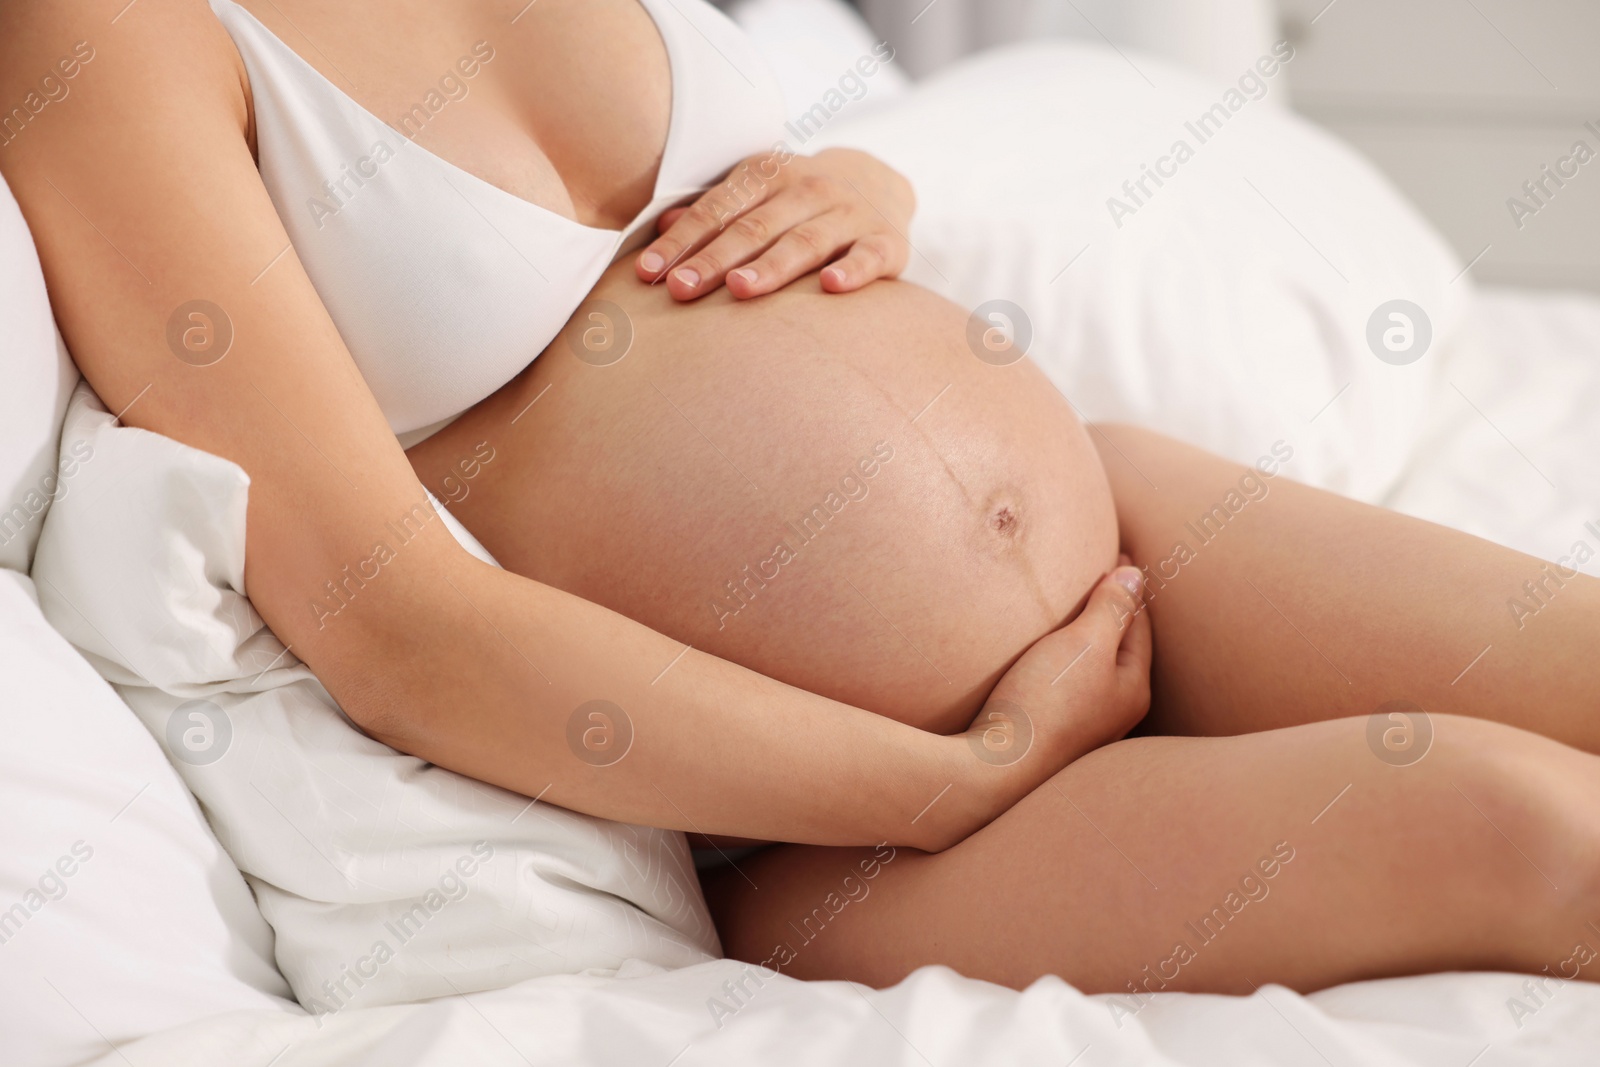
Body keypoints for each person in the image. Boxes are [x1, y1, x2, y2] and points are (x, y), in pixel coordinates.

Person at [2, 0, 1595, 997]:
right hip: (817, 831)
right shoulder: (109, 32)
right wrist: (954, 778)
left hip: (1128, 537)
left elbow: (718, 217)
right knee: (1525, 830)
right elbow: (390, 619)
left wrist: (867, 188)